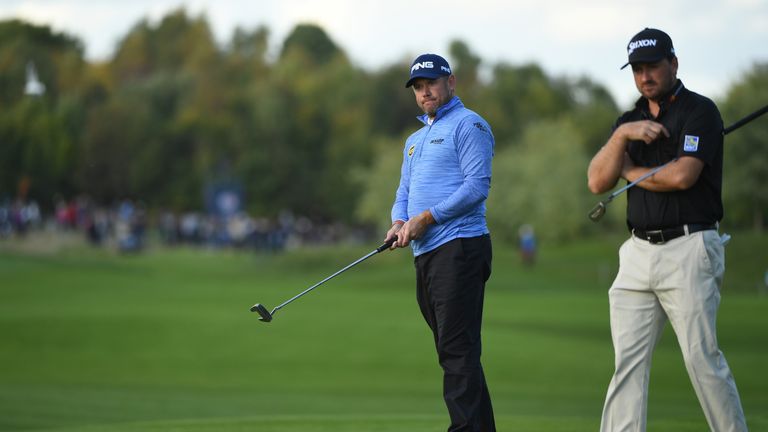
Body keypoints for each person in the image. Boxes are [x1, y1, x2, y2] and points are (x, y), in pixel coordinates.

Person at [587, 28, 748, 431]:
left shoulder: (700, 112)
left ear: (673, 63)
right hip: (638, 252)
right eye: (638, 69)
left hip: (690, 246)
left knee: (701, 359)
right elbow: (596, 180)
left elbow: (682, 176)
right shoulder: (629, 120)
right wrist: (622, 136)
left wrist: (629, 170)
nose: (645, 76)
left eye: (653, 66)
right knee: (627, 364)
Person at [384, 53, 496, 432]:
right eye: (418, 86)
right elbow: (405, 190)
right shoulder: (414, 140)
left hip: (460, 247)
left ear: (452, 82)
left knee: (456, 351)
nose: (425, 91)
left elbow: (477, 187)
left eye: (431, 82)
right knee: (456, 351)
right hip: (427, 253)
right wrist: (399, 220)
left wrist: (427, 218)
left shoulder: (470, 125)